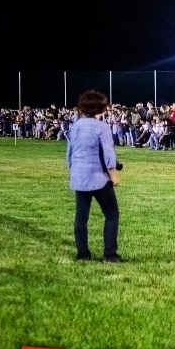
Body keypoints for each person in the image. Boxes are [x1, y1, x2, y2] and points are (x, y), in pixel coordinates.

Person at [66, 90, 122, 263]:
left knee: (81, 217)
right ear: (101, 107)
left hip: (78, 175)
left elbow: (69, 153)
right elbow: (108, 152)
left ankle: (83, 253)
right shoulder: (102, 127)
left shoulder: (75, 126)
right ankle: (110, 254)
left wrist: (73, 170)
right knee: (111, 214)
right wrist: (113, 173)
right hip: (98, 176)